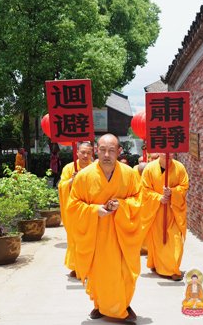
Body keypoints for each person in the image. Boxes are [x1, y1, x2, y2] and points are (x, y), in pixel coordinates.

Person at [67, 134, 142, 322]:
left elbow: (139, 200)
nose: (106, 154)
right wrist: (94, 210)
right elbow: (73, 205)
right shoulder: (84, 176)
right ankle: (100, 305)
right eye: (102, 150)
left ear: (119, 151)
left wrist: (122, 205)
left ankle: (123, 304)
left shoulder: (130, 174)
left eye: (111, 150)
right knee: (101, 275)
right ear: (96, 151)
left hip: (122, 235)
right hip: (97, 236)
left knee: (125, 273)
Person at [141, 153, 189, 281]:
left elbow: (184, 187)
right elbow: (145, 190)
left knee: (175, 239)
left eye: (171, 150)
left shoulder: (180, 168)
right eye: (164, 150)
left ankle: (173, 268)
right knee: (158, 240)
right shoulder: (149, 168)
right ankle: (159, 265)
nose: (167, 153)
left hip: (174, 211)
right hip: (156, 211)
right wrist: (159, 198)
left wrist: (172, 192)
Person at [57, 141, 93, 278]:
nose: (85, 155)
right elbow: (62, 186)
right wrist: (72, 181)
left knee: (90, 239)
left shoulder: (95, 167)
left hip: (89, 209)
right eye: (82, 152)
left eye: (88, 153)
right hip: (74, 209)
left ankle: (90, 266)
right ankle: (76, 267)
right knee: (74, 239)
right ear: (77, 152)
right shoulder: (69, 168)